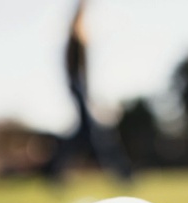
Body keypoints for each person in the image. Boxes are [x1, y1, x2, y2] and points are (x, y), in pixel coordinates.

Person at [44, 0, 133, 183]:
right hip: (79, 91)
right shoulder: (74, 39)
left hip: (82, 92)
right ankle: (122, 173)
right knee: (97, 136)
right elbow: (75, 75)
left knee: (82, 137)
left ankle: (54, 172)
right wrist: (82, 94)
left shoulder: (80, 38)